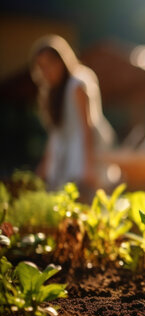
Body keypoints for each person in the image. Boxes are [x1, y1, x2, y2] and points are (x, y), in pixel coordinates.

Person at [30, 35, 115, 200]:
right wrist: (44, 165)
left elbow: (87, 126)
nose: (46, 71)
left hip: (83, 154)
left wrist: (88, 166)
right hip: (65, 154)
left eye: (50, 64)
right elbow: (56, 133)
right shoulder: (51, 92)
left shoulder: (76, 86)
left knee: (85, 201)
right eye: (41, 67)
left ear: (61, 61)